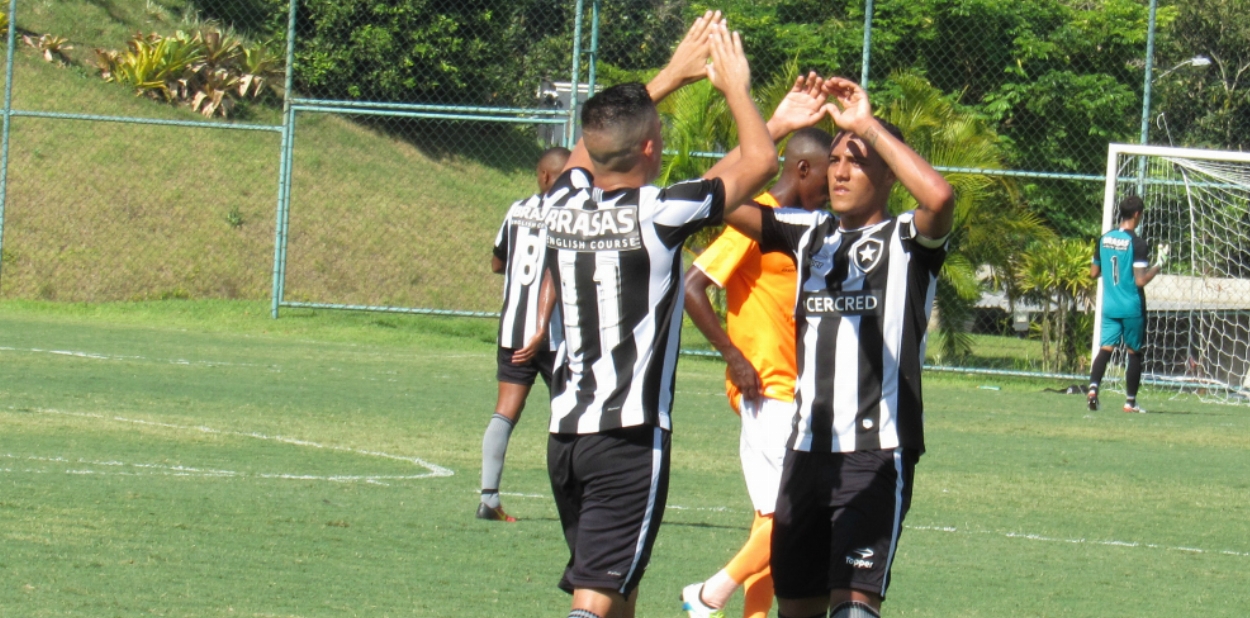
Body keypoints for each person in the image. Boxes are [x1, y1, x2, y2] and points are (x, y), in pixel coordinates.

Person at [540, 14, 779, 618]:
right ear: (651, 147)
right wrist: (736, 88)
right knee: (596, 598)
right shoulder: (659, 213)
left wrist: (669, 75)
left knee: (618, 585)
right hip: (626, 437)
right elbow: (760, 163)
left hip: (564, 436)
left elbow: (590, 144)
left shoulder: (561, 202)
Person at [719, 76, 955, 618]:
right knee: (796, 606)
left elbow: (940, 197)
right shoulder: (809, 234)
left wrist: (866, 125)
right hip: (804, 452)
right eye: (835, 160)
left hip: (875, 451)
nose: (840, 172)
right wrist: (775, 126)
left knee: (854, 604)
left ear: (888, 174)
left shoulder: (907, 240)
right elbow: (714, 196)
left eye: (857, 160)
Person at [680, 117, 834, 618]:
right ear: (803, 168)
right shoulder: (758, 219)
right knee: (792, 515)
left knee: (771, 517)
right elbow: (692, 287)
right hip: (769, 389)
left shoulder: (806, 227)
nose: (835, 185)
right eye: (829, 172)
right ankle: (710, 594)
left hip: (797, 391)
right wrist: (734, 356)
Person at [478, 147, 571, 522]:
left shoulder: (516, 210)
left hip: (513, 331)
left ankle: (488, 497)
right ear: (550, 176)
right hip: (556, 335)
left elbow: (497, 262)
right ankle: (578, 501)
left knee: (505, 411)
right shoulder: (572, 215)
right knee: (569, 415)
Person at [1087, 195, 1164, 414]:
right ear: (1137, 214)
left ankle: (1093, 389)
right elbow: (1140, 280)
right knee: (1134, 352)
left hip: (1110, 306)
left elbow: (1093, 273)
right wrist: (1159, 264)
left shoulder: (1104, 238)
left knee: (1105, 349)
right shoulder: (1137, 244)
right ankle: (1130, 402)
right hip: (1131, 306)